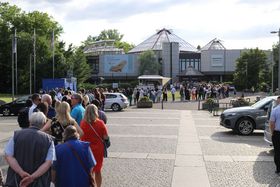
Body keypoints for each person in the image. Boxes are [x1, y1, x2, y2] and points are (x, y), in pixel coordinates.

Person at [4, 112, 55, 187]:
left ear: (30, 121)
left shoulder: (16, 135)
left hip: (16, 180)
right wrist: (32, 177)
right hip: (39, 182)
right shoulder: (49, 140)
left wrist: (21, 172)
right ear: (44, 123)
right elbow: (49, 162)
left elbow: (8, 156)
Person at [80, 104, 109, 187]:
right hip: (98, 149)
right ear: (96, 112)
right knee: (98, 170)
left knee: (89, 170)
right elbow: (105, 137)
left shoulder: (83, 123)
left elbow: (81, 136)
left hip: (86, 149)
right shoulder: (100, 123)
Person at [269, 96, 280, 174]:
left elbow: (272, 123)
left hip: (277, 133)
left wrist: (272, 133)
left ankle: (278, 168)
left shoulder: (275, 110)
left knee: (277, 151)